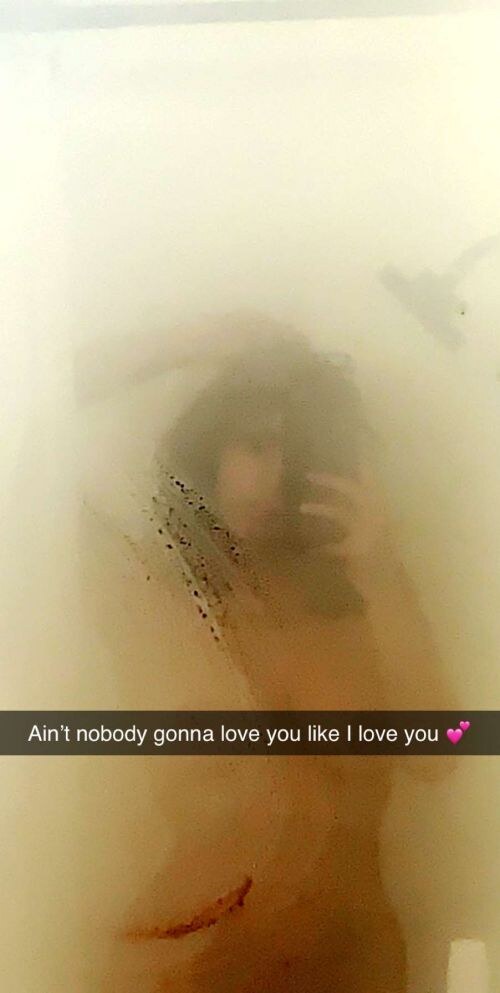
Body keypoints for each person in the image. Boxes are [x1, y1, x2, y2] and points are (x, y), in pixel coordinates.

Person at [155, 322, 456, 993]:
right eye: (254, 445)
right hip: (206, 964)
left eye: (296, 452)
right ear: (211, 449)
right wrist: (183, 342)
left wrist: (382, 571)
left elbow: (444, 750)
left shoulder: (359, 610)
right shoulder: (170, 605)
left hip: (353, 963)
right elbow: (34, 435)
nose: (271, 477)